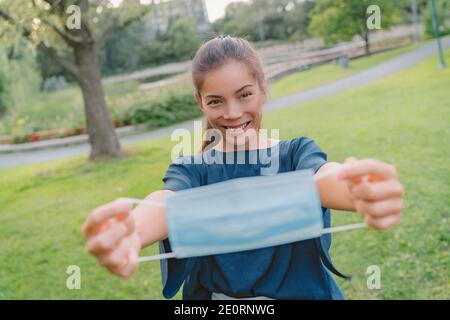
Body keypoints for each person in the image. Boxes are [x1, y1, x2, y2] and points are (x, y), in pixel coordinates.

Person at [82, 36, 404, 300]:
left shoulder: (296, 152)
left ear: (263, 89)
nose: (233, 113)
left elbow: (324, 180)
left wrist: (360, 191)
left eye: (244, 95)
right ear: (200, 103)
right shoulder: (193, 169)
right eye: (216, 101)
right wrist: (130, 233)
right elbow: (166, 204)